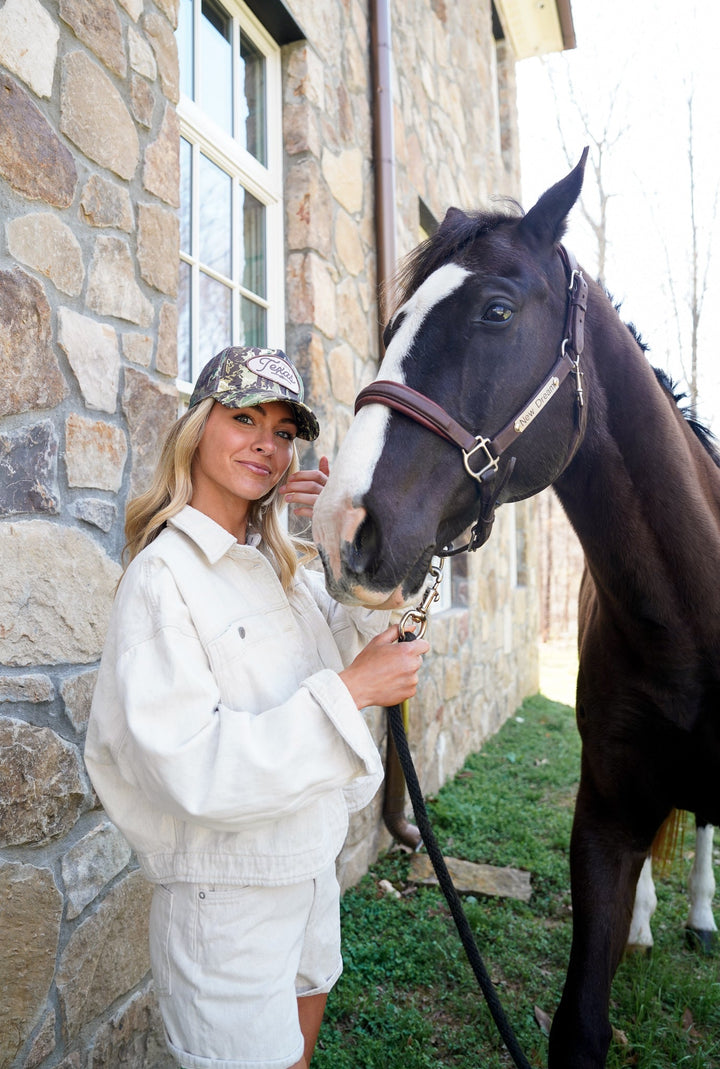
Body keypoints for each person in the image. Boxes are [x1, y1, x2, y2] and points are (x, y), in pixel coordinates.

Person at [84, 345, 430, 1069]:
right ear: (198, 428)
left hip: (307, 874)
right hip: (228, 907)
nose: (266, 444)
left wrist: (346, 539)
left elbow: (342, 646)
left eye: (281, 431)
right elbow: (191, 767)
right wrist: (355, 689)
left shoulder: (278, 566)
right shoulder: (163, 578)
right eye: (244, 417)